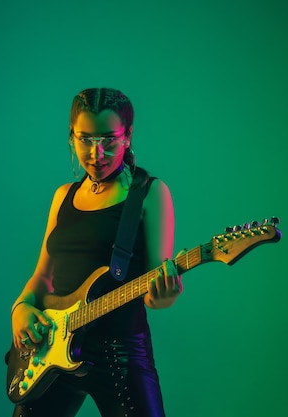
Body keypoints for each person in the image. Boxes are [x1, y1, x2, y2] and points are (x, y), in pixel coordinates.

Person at [9, 87, 182, 417]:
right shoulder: (63, 196)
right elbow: (43, 276)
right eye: (85, 139)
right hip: (52, 349)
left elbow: (155, 283)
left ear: (128, 136)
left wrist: (163, 296)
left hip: (119, 355)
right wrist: (20, 308)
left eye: (108, 139)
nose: (96, 152)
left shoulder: (150, 194)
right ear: (71, 136)